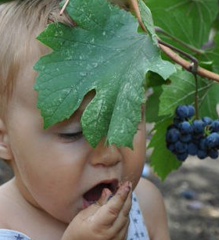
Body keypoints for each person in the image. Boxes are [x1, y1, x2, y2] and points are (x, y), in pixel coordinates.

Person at [0, 0, 170, 239]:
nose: (109, 154)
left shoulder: (147, 206)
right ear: (3, 137)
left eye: (125, 117)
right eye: (74, 132)